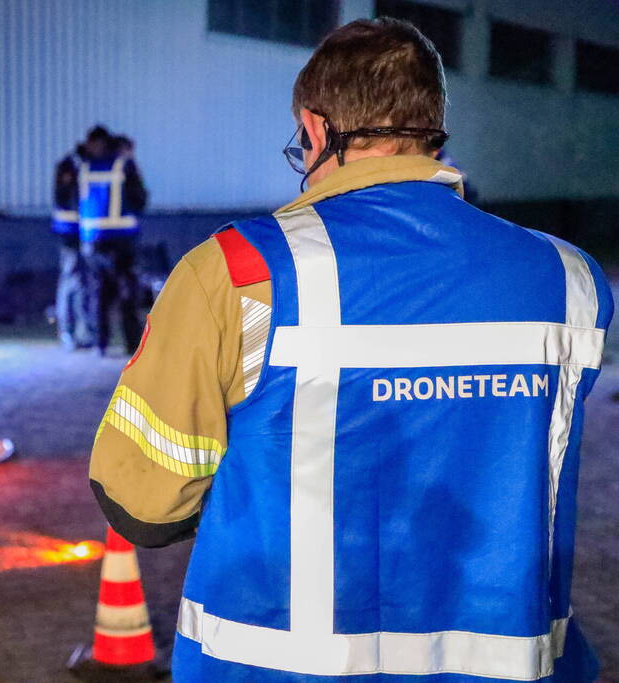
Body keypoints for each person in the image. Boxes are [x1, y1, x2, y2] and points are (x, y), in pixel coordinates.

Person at [89, 18, 612, 682]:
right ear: (431, 123)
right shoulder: (569, 280)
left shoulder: (236, 272)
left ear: (313, 129)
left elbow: (141, 500)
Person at [77, 125, 148, 356]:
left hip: (91, 240)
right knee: (127, 294)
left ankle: (101, 343)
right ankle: (132, 344)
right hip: (121, 240)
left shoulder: (85, 167)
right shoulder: (123, 165)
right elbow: (140, 199)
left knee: (98, 294)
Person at [52, 141, 91, 350]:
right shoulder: (73, 168)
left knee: (79, 284)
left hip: (78, 234)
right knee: (71, 283)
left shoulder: (73, 166)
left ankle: (77, 332)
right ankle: (69, 331)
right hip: (71, 234)